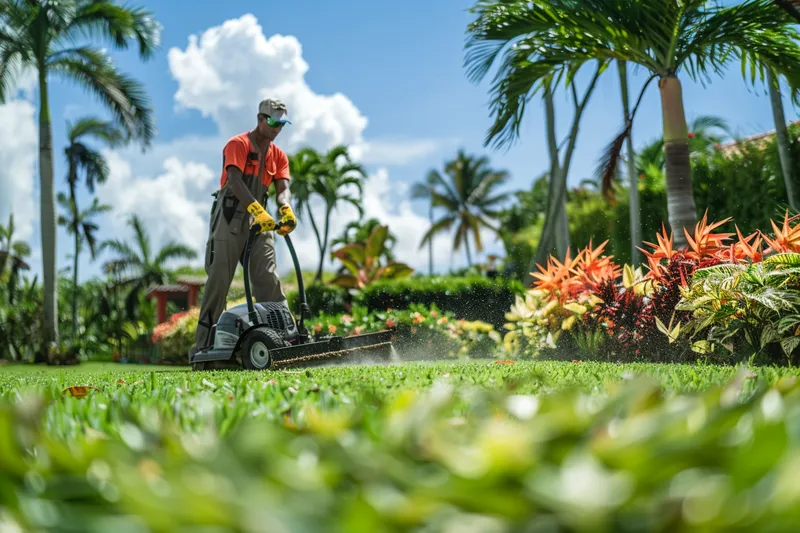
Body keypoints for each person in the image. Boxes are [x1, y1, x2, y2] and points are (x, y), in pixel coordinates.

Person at [190, 98, 298, 355]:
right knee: (219, 280)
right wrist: (256, 211)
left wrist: (285, 207)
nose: (276, 128)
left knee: (267, 278)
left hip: (260, 221)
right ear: (260, 119)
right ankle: (204, 346)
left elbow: (282, 189)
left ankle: (284, 339)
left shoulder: (278, 155)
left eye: (282, 123)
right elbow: (235, 182)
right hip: (230, 215)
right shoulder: (237, 144)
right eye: (273, 122)